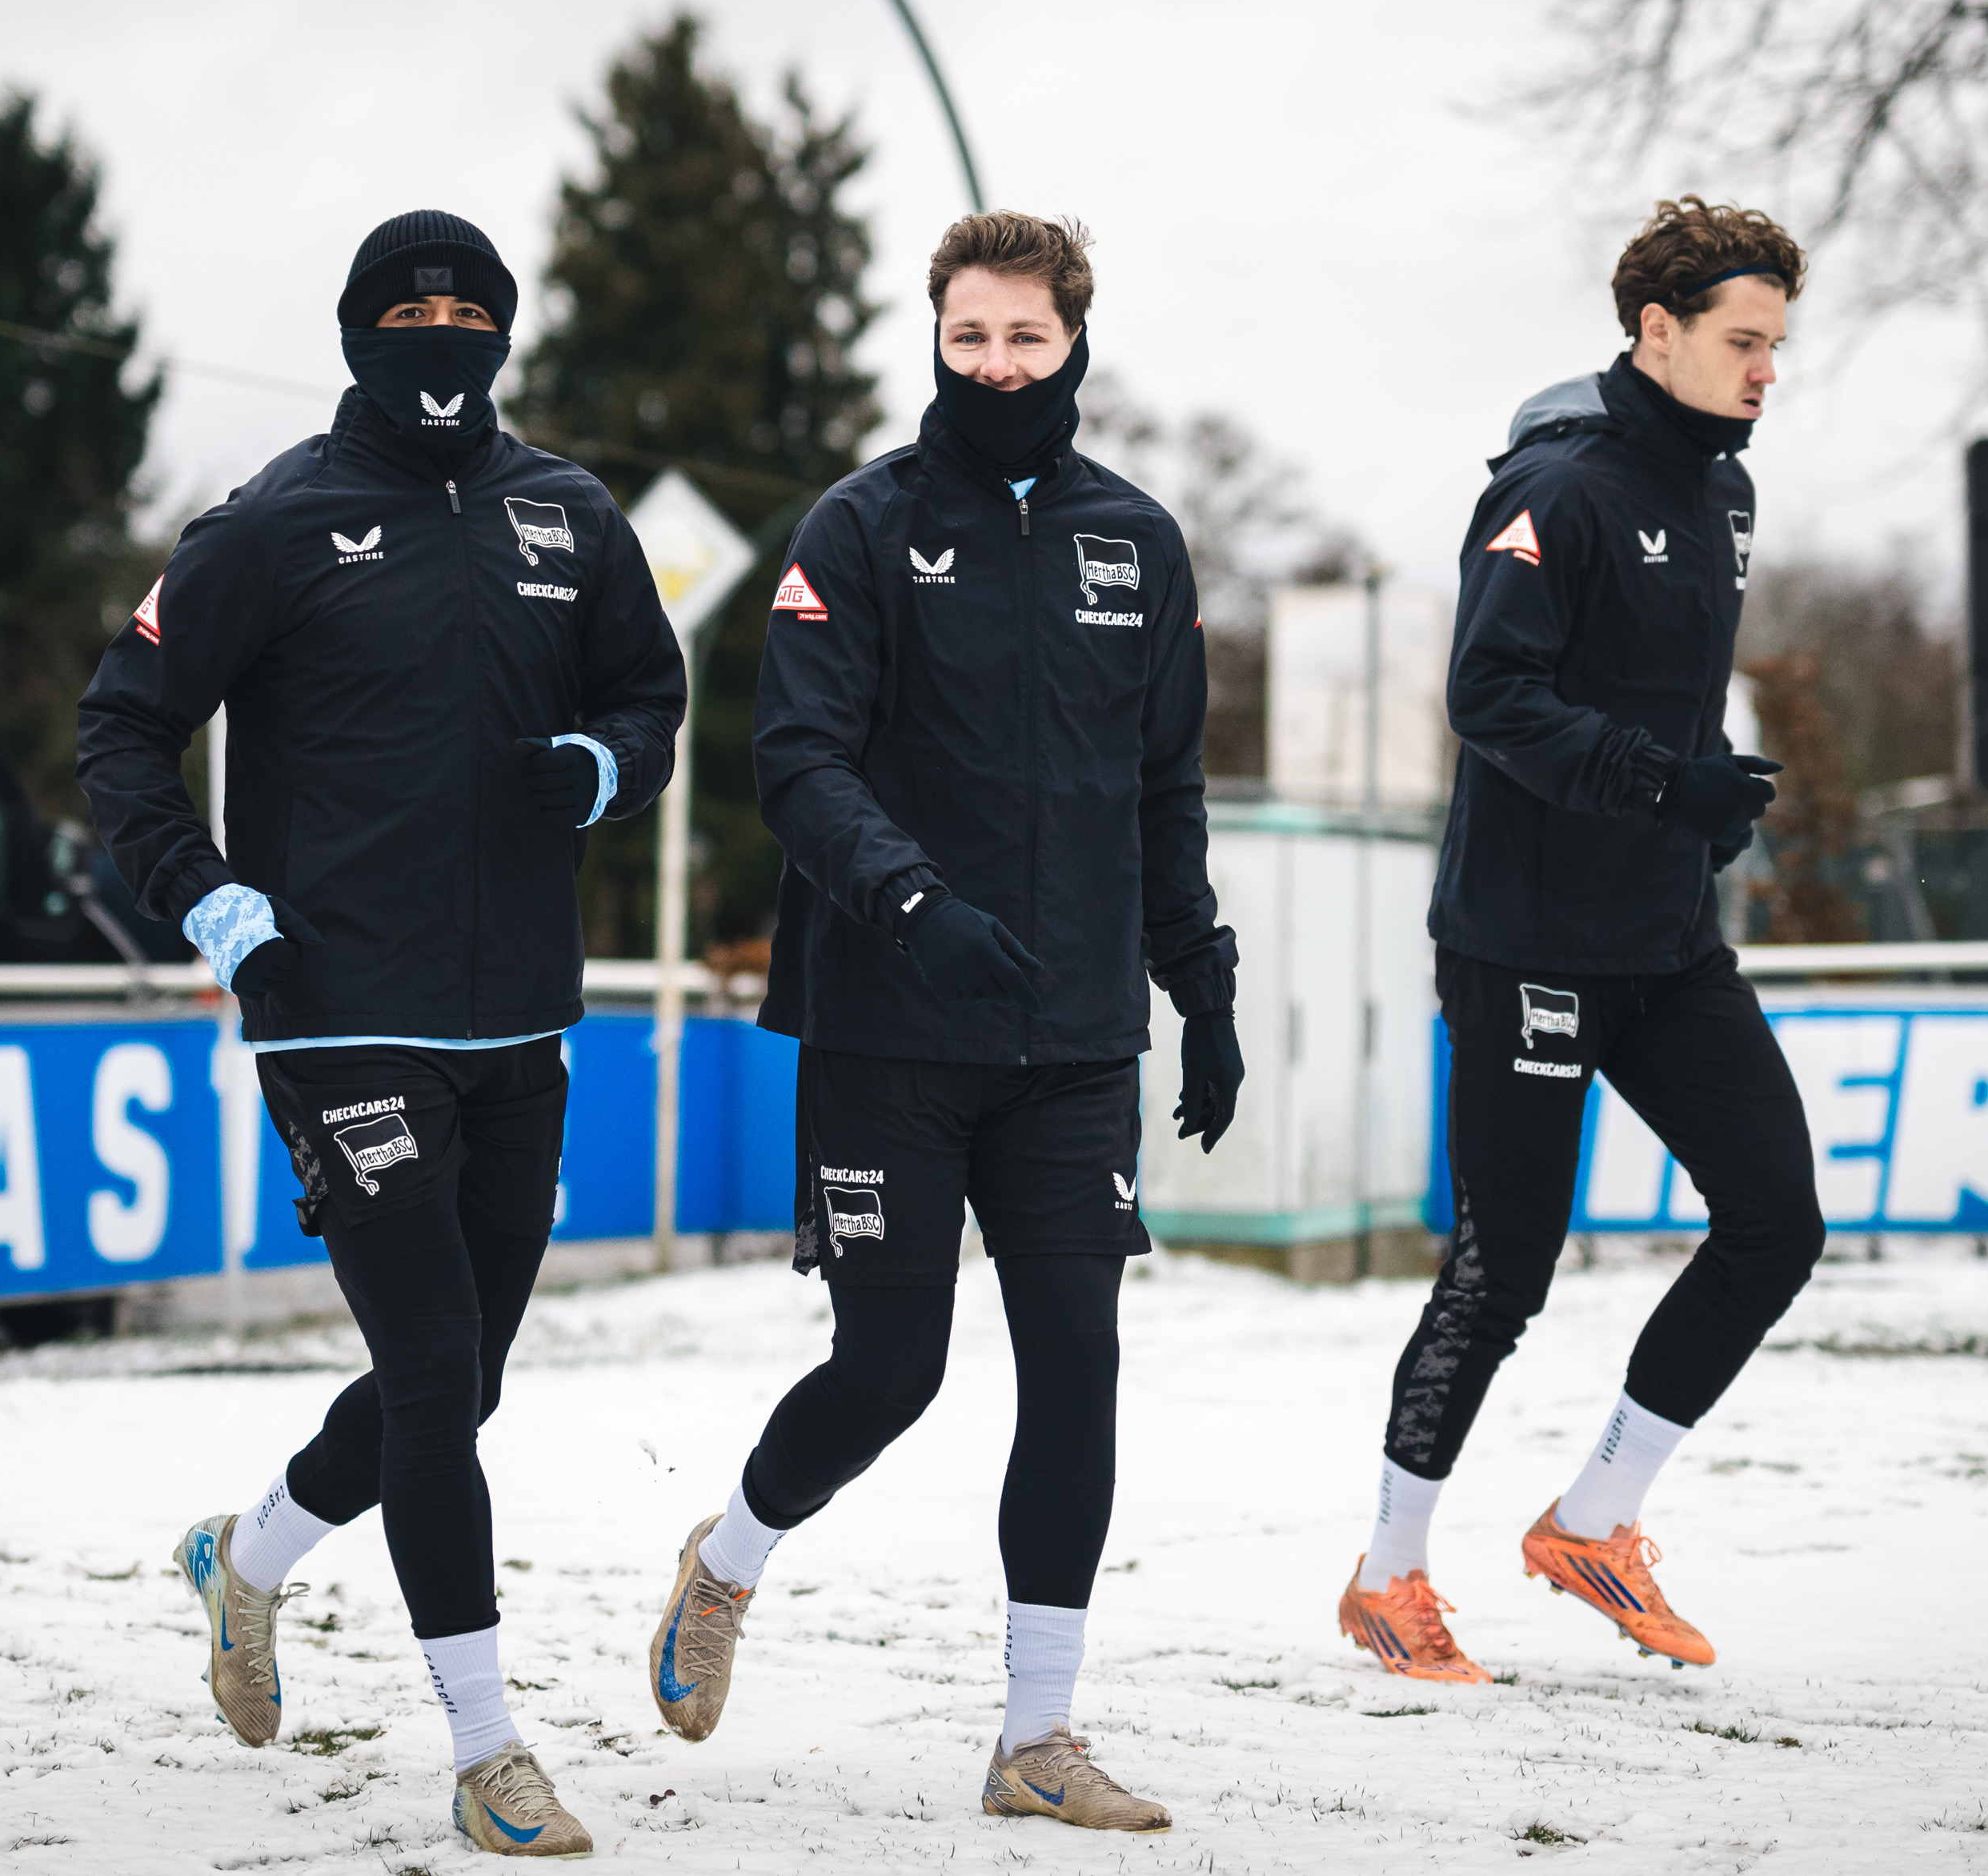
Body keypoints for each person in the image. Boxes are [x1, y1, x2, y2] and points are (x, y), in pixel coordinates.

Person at [77, 208, 685, 1858]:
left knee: (461, 1383)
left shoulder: (570, 512)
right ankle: (488, 1750)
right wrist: (215, 903)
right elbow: (122, 728)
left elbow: (653, 697)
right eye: (408, 316)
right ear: (356, 336)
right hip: (334, 1009)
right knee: (428, 1372)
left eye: (467, 313)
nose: (439, 338)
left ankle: (247, 1558)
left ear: (504, 334)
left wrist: (603, 768)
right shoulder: (272, 522)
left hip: (519, 1016)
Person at [638, 213, 1241, 1835]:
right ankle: (728, 1559)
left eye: (1025, 337)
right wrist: (913, 903)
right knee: (891, 1367)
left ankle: (1036, 1735)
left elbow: (1164, 786)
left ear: (1074, 342)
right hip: (889, 1027)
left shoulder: (1138, 545)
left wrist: (1199, 981)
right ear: (937, 337)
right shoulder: (860, 527)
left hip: (1072, 1042)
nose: (997, 364)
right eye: (970, 335)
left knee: (1077, 1365)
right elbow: (796, 762)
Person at [1333, 197, 1828, 1686]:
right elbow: (1490, 696)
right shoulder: (1557, 489)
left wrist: (1708, 796)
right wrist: (1660, 783)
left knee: (1776, 1222)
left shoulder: (1728, 493)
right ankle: (1388, 1576)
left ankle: (1595, 1522)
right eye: (1744, 342)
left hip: (1665, 942)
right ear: (1657, 332)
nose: (1767, 370)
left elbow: (1667, 701)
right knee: (1506, 1270)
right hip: (1525, 942)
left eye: (1778, 345)